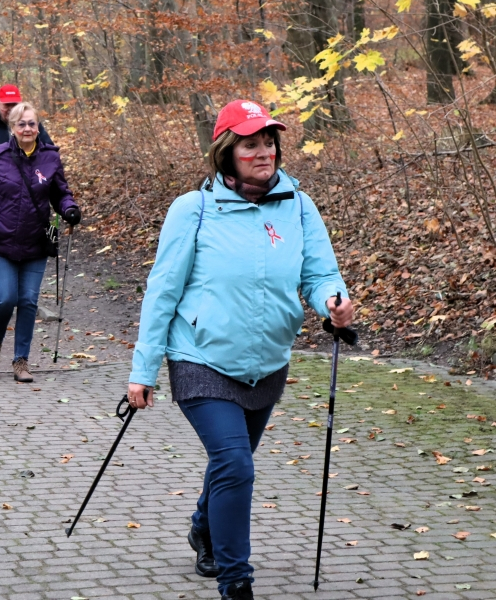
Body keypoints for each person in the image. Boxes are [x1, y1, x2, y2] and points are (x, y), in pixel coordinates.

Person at [127, 100, 353, 601]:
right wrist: (143, 371)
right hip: (200, 356)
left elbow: (319, 274)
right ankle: (236, 581)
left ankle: (205, 527)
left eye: (268, 141)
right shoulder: (195, 209)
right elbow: (162, 291)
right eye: (250, 143)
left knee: (232, 462)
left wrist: (332, 302)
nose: (263, 152)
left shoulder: (298, 205)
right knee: (236, 464)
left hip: (267, 360)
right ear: (226, 152)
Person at [0, 102, 80, 383]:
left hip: (35, 241)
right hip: (0, 239)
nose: (28, 128)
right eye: (22, 124)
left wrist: (69, 208)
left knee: (28, 301)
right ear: (13, 128)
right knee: (5, 298)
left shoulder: (50, 158)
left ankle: (21, 360)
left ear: (38, 126)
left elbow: (60, 192)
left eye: (32, 123)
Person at [0, 85, 53, 164]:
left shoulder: (31, 125)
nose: (11, 109)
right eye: (7, 105)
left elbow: (50, 151)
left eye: (15, 104)